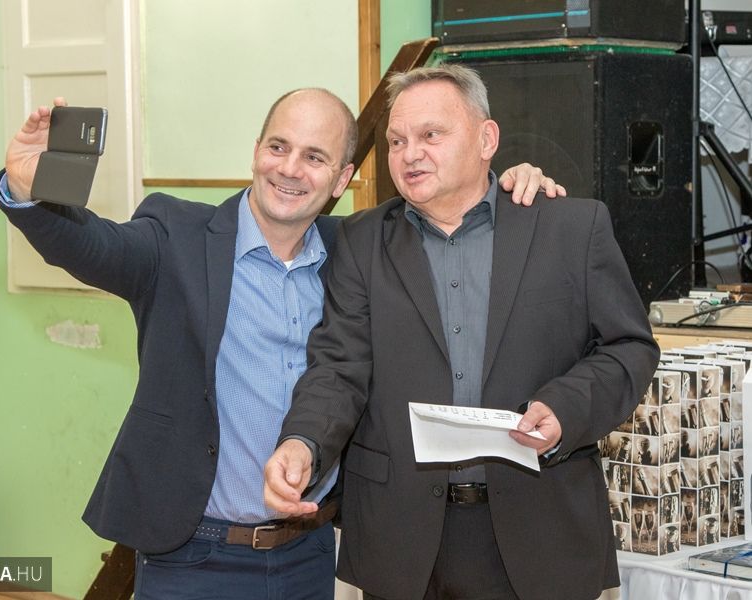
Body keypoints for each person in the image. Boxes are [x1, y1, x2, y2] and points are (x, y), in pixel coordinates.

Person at [0, 87, 561, 600]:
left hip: (309, 553)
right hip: (190, 554)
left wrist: (511, 183)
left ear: (341, 179)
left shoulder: (358, 253)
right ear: (256, 151)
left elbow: (451, 210)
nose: (289, 169)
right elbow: (92, 247)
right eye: (278, 147)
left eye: (314, 157)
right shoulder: (176, 237)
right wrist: (27, 190)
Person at [264, 65, 659, 600]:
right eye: (397, 141)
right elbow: (338, 368)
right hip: (400, 541)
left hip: (542, 531)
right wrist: (303, 441)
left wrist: (566, 407)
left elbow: (629, 347)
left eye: (431, 135)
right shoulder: (361, 241)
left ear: (486, 139)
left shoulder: (570, 227)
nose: (410, 154)